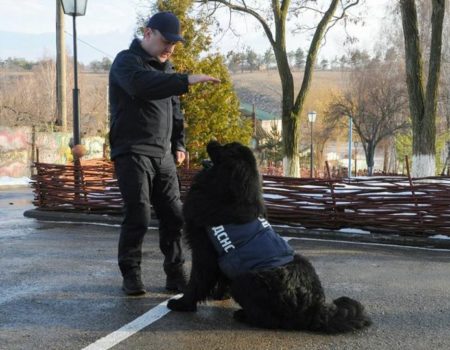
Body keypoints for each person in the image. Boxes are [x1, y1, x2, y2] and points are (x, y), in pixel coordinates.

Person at [109, 11, 220, 296]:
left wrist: (179, 144)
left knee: (174, 216)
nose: (170, 48)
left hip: (164, 155)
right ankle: (131, 274)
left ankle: (175, 273)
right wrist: (187, 80)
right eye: (166, 40)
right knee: (139, 214)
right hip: (132, 151)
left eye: (175, 43)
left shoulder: (168, 70)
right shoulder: (127, 63)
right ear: (148, 34)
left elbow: (175, 111)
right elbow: (143, 86)